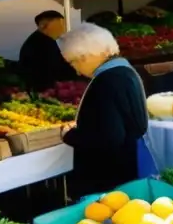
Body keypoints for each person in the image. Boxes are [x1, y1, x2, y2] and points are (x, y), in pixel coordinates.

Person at [57, 24, 148, 198]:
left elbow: (108, 138)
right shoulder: (126, 72)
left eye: (74, 61)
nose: (76, 69)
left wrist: (70, 135)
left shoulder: (105, 82)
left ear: (88, 55)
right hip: (126, 171)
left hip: (105, 181)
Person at [18, 10, 75, 92]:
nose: (63, 28)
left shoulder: (43, 40)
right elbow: (54, 69)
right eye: (60, 24)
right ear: (43, 26)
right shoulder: (40, 43)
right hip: (44, 90)